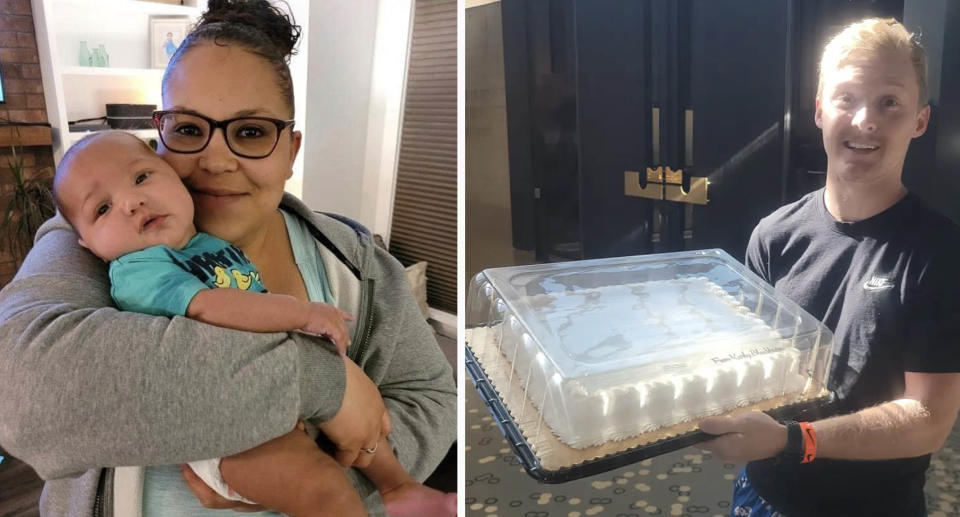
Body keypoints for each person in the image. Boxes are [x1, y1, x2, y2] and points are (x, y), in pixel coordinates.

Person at [0, 1, 457, 516]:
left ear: (290, 151)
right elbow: (20, 397)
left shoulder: (352, 257)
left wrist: (324, 479)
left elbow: (432, 397)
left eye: (251, 132)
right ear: (159, 138)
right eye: (190, 129)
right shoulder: (90, 242)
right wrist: (320, 381)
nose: (217, 161)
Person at [50, 130, 457, 517]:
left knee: (365, 429)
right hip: (224, 422)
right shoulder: (139, 268)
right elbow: (212, 306)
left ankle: (399, 488)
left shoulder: (206, 244)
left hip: (275, 383)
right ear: (86, 243)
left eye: (141, 178)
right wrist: (302, 313)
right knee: (322, 487)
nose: (132, 203)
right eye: (102, 209)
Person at [697, 18, 960, 517]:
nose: (865, 120)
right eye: (846, 98)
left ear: (919, 121)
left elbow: (928, 419)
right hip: (763, 495)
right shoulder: (773, 235)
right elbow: (755, 365)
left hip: (873, 506)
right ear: (819, 110)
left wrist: (791, 441)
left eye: (889, 102)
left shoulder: (940, 252)